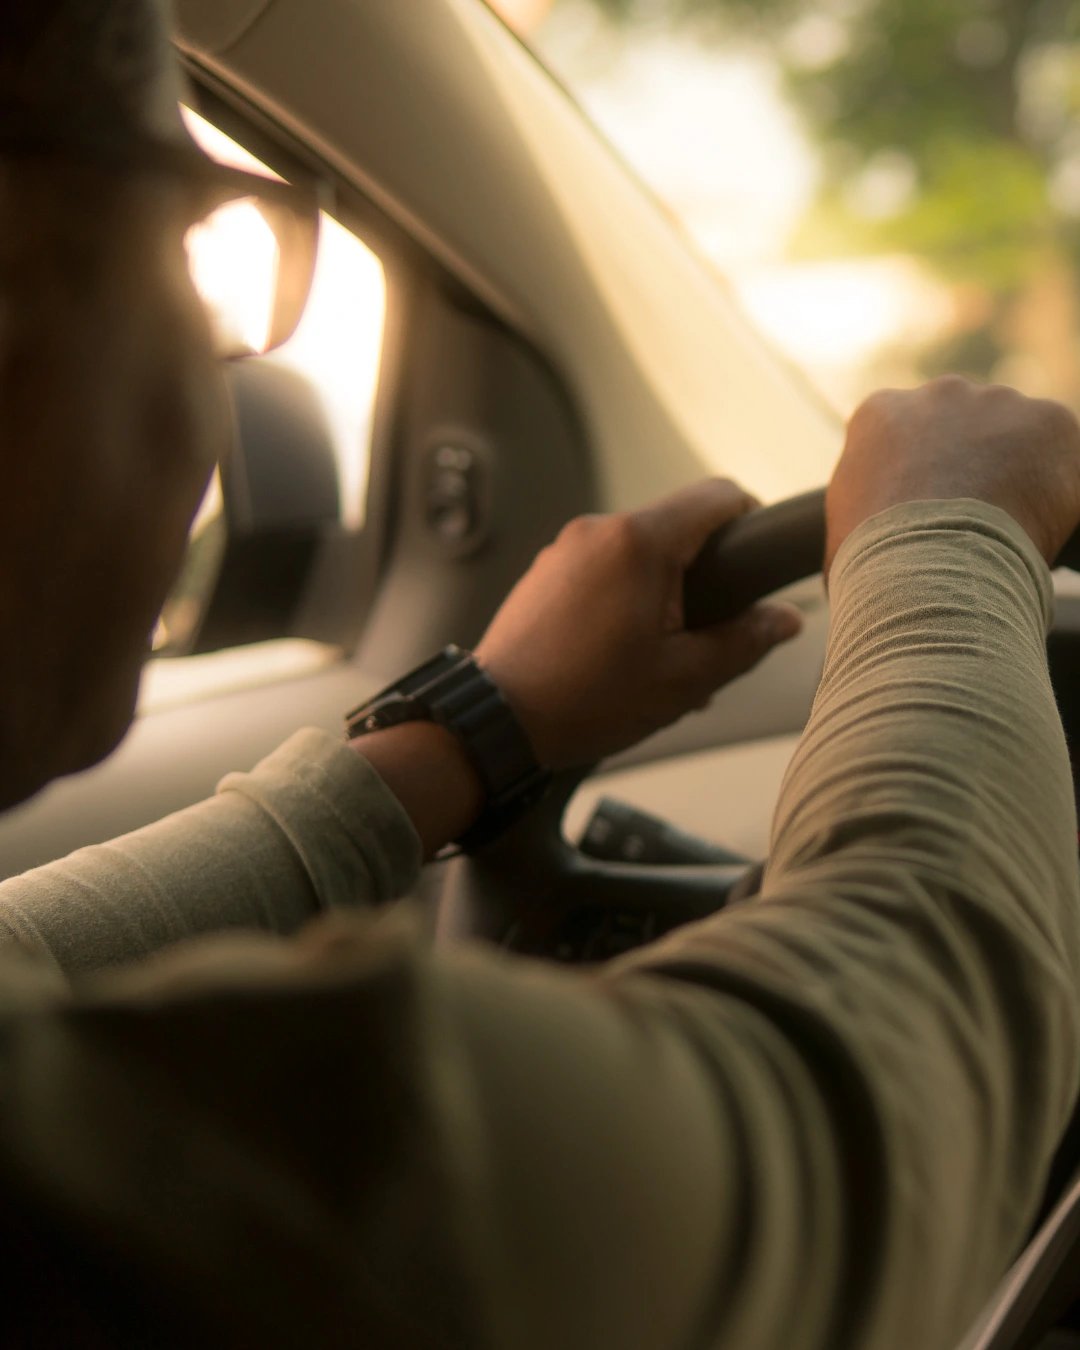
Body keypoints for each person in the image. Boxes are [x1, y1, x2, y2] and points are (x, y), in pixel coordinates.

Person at [2, 2, 1080, 1348]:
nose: (223, 374)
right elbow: (857, 1116)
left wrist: (480, 727)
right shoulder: (164, 1179)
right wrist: (946, 540)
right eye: (194, 233)